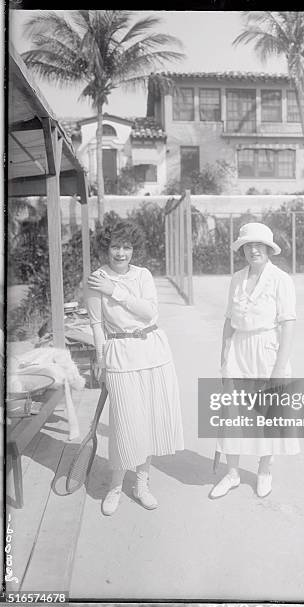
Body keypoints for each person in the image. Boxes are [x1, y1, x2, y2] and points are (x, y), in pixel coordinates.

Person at [85, 220, 184, 516]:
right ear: (106, 247)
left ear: (133, 249)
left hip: (154, 352)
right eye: (115, 246)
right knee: (125, 423)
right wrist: (102, 361)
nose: (121, 253)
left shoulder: (143, 275)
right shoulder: (95, 280)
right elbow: (96, 324)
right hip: (120, 356)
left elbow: (150, 312)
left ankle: (142, 483)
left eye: (126, 247)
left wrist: (115, 290)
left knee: (151, 421)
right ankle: (116, 485)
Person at [210, 222, 300, 500]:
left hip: (268, 351)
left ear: (269, 249)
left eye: (259, 244)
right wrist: (224, 357)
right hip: (238, 350)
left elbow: (288, 326)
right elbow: (228, 321)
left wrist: (279, 369)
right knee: (233, 414)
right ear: (243, 249)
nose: (253, 250)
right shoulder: (236, 278)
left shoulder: (281, 279)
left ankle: (264, 470)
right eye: (248, 245)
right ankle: (233, 474)